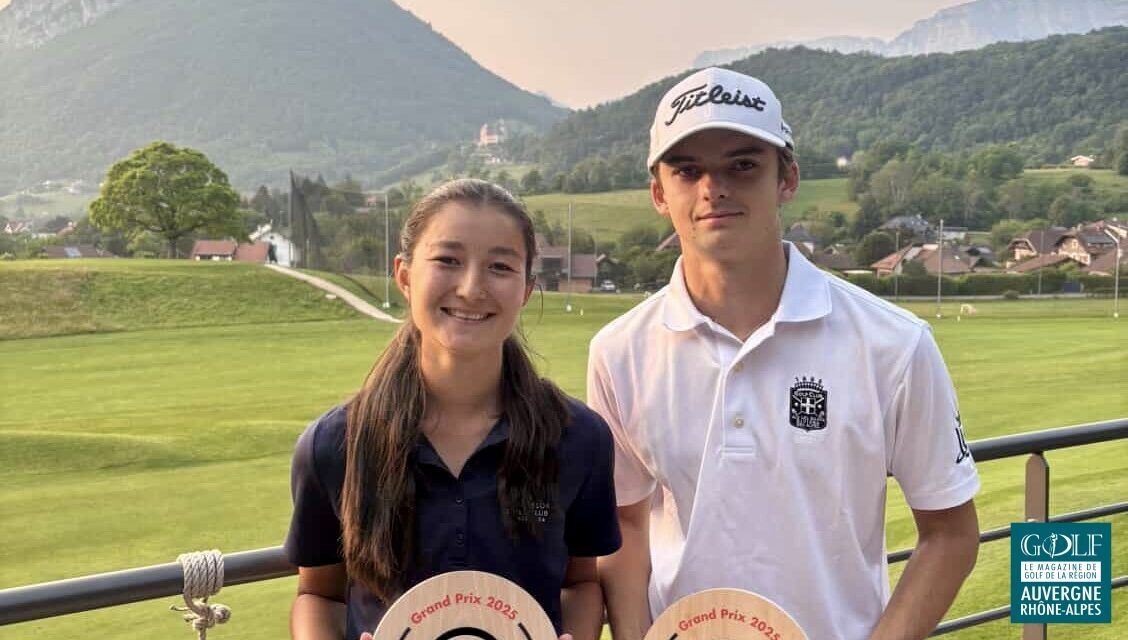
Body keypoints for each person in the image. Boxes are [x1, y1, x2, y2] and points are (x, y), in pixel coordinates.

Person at [589, 67, 981, 640]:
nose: (712, 188)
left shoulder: (895, 343)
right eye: (688, 169)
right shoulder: (619, 351)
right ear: (658, 192)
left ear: (787, 178)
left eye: (742, 165)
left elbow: (950, 533)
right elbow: (625, 523)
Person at [285, 179, 621, 640]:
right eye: (448, 260)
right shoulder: (334, 443)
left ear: (526, 289)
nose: (470, 287)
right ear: (404, 275)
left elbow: (580, 583)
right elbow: (319, 595)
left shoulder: (580, 437)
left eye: (500, 266)